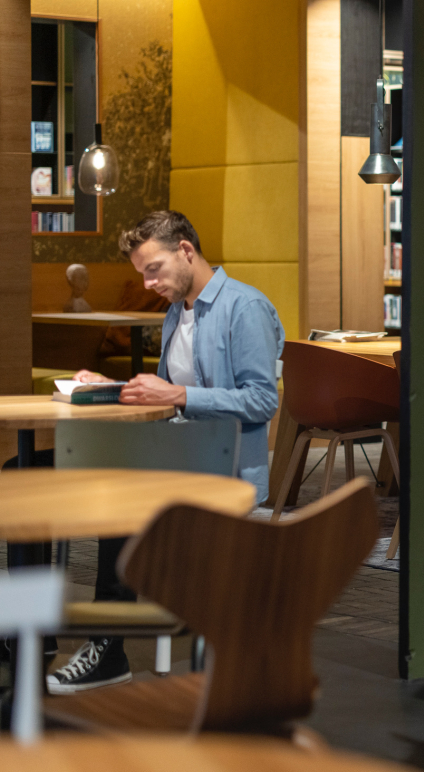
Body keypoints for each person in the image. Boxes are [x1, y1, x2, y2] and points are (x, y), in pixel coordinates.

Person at [47, 210, 285, 695]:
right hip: (177, 451)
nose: (148, 283)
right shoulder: (179, 309)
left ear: (186, 251)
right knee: (28, 469)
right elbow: (167, 396)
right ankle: (24, 637)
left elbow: (263, 401)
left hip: (221, 467)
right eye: (142, 274)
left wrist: (176, 395)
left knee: (116, 492)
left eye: (153, 269)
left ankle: (108, 650)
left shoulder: (245, 307)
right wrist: (114, 387)